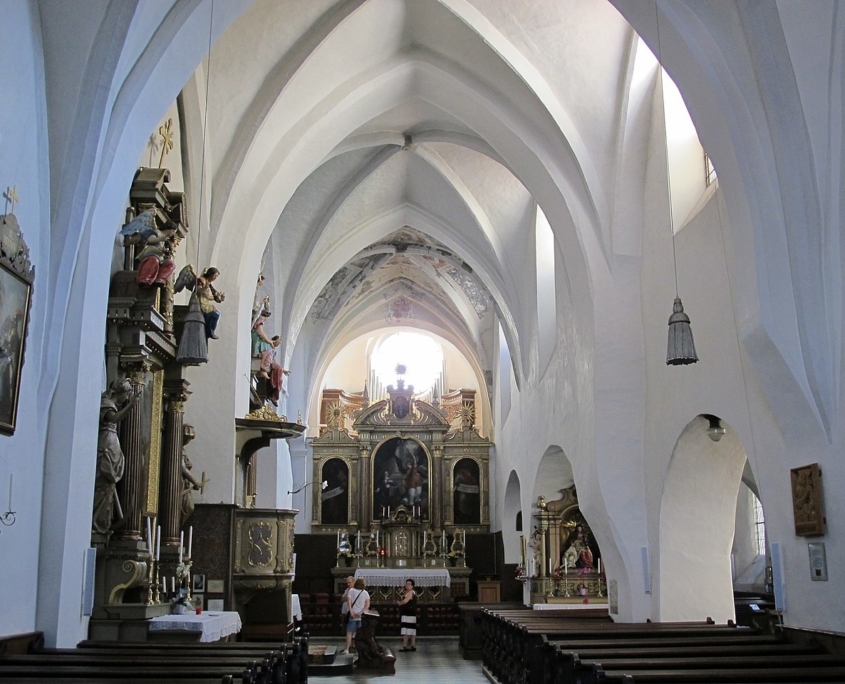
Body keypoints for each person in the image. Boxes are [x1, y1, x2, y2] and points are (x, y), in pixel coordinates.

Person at [91, 379, 140, 535]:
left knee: (108, 487)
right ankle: (97, 524)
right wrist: (131, 405)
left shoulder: (110, 404)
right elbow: (114, 418)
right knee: (103, 484)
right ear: (120, 392)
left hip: (111, 444)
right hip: (106, 444)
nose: (126, 397)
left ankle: (102, 523)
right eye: (126, 394)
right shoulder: (106, 404)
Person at [343, 577, 370, 654]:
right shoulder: (365, 593)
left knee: (349, 632)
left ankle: (347, 649)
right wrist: (361, 612)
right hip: (360, 616)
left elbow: (349, 603)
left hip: (353, 615)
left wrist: (351, 612)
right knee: (359, 633)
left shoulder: (351, 591)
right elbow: (367, 605)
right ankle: (359, 649)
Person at [196, 267, 224, 339]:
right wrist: (205, 287)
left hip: (205, 302)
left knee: (216, 313)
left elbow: (209, 297)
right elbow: (198, 291)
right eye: (214, 276)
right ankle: (210, 331)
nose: (215, 278)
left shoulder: (209, 284)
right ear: (210, 274)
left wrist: (219, 297)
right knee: (215, 314)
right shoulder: (202, 280)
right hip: (199, 302)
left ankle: (210, 330)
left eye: (216, 277)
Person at [397, 578, 418, 651]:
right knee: (411, 630)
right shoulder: (409, 592)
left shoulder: (410, 592)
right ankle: (413, 645)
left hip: (409, 613)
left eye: (409, 584)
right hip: (409, 613)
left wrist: (400, 603)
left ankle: (404, 646)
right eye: (406, 584)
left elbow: (405, 601)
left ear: (412, 586)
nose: (407, 585)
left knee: (407, 630)